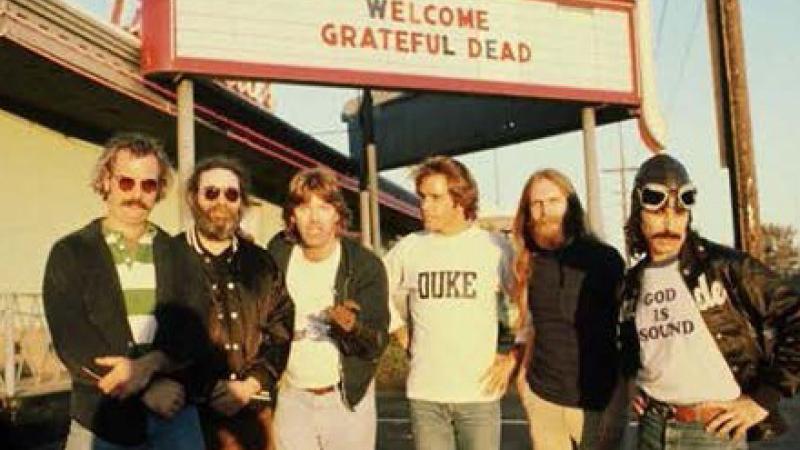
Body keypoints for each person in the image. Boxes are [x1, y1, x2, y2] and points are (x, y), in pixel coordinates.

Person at [618, 153, 800, 449]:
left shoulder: (724, 267)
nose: (669, 223)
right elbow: (629, 342)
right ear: (639, 213)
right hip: (652, 427)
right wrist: (631, 382)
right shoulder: (632, 283)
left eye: (679, 213)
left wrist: (764, 399)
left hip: (711, 433)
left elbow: (794, 314)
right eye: (657, 212)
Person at [42, 133, 205, 449]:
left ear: (159, 189)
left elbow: (194, 331)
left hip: (175, 419)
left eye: (148, 184)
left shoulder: (180, 254)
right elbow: (72, 339)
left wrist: (150, 366)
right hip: (101, 422)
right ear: (106, 180)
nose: (137, 194)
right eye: (126, 182)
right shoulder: (71, 252)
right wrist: (146, 390)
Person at [383, 156, 515, 450]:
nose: (424, 205)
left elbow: (530, 303)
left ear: (460, 200)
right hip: (426, 395)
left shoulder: (492, 247)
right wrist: (399, 330)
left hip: (479, 395)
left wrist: (514, 357)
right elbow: (375, 287)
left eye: (436, 198)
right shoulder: (410, 247)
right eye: (422, 197)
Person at [175, 156, 295, 450]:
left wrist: (252, 382)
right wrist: (204, 386)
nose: (221, 202)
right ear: (193, 198)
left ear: (241, 203)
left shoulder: (262, 262)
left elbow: (281, 327)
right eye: (211, 192)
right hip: (189, 415)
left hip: (252, 413)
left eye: (231, 194)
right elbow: (161, 334)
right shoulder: (169, 256)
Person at [267, 167, 390, 450]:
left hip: (346, 399)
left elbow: (377, 343)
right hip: (291, 397)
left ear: (337, 214)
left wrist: (352, 328)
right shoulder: (278, 254)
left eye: (324, 207)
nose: (314, 218)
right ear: (291, 215)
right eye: (303, 207)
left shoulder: (363, 264)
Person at [510, 169, 627, 450]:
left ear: (570, 204)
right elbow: (530, 326)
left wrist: (621, 399)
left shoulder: (605, 260)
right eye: (535, 204)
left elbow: (626, 333)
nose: (544, 211)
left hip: (596, 404)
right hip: (544, 399)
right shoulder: (529, 264)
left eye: (553, 201)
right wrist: (524, 383)